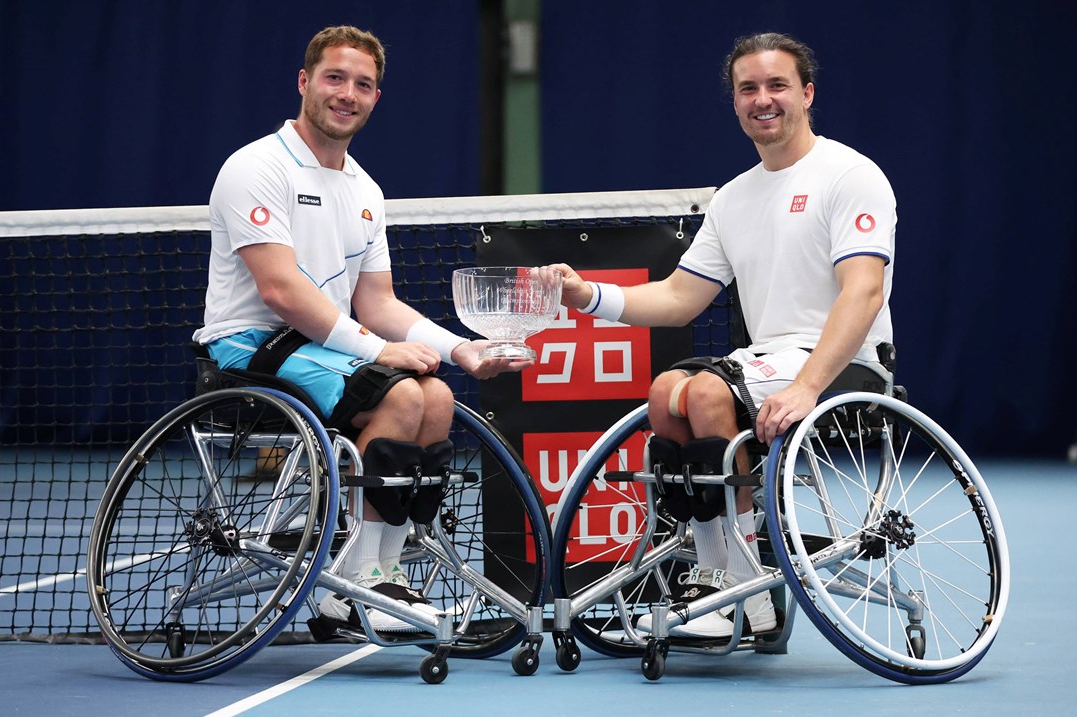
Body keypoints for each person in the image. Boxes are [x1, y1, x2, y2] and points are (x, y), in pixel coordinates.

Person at [541, 32, 896, 639]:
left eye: (777, 85)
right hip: (767, 365)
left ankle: (731, 589)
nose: (763, 99)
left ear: (807, 94)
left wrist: (809, 385)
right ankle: (727, 581)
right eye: (748, 88)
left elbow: (862, 291)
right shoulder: (732, 197)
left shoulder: (851, 175)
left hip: (846, 366)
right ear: (734, 102)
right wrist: (586, 295)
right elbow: (680, 298)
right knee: (665, 393)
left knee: (703, 394)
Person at [192, 25, 528, 632]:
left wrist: (461, 350)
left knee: (438, 395)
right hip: (244, 347)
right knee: (399, 393)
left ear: (376, 97)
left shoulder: (365, 190)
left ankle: (380, 573)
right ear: (305, 82)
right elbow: (280, 291)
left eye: (363, 85)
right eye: (335, 78)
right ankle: (351, 584)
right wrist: (378, 351)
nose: (347, 93)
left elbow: (377, 302)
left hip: (322, 346)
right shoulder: (255, 166)